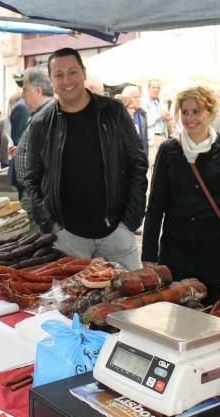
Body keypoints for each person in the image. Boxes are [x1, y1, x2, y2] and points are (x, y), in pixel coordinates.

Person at [25, 48, 148, 270]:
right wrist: (51, 225)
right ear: (51, 80)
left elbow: (137, 164)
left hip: (116, 233)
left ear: (83, 73)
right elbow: (32, 179)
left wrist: (129, 221)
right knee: (71, 302)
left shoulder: (114, 112)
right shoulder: (41, 123)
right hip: (67, 239)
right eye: (59, 75)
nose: (67, 80)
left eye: (72, 72)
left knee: (130, 301)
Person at [141, 86, 220, 306]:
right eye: (185, 112)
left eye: (196, 111)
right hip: (176, 251)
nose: (190, 118)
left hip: (214, 251)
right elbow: (155, 205)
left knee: (213, 313)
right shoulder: (169, 151)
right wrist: (148, 255)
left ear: (210, 113)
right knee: (176, 317)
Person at [14, 67, 54, 227]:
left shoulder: (48, 114)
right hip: (34, 192)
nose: (23, 95)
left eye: (25, 90)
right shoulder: (41, 113)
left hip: (38, 193)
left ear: (38, 91)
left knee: (33, 239)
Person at [121, 84, 149, 155]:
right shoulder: (118, 116)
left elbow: (144, 140)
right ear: (126, 98)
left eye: (139, 97)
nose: (139, 99)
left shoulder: (143, 114)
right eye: (135, 97)